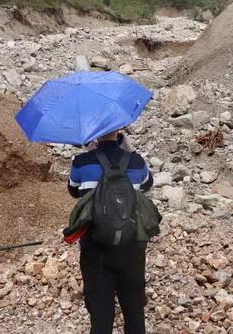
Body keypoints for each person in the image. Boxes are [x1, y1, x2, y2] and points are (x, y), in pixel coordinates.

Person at [68, 129, 153, 334]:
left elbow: (73, 190)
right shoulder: (136, 162)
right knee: (134, 311)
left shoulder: (81, 162)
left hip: (95, 249)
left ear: (95, 131)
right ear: (119, 131)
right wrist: (130, 151)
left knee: (100, 314)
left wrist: (91, 154)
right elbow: (148, 184)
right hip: (131, 248)